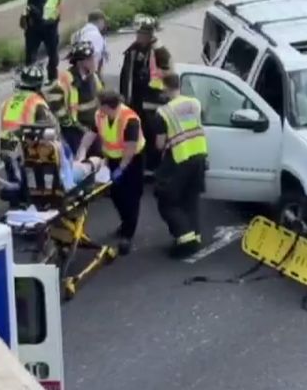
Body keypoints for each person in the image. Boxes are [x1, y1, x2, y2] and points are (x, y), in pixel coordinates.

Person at [76, 89, 145, 255]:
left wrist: (121, 169)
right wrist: (81, 153)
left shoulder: (130, 120)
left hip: (133, 161)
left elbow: (130, 148)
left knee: (131, 198)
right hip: (113, 159)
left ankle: (127, 235)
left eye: (101, 106)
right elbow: (90, 136)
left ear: (108, 107)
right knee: (115, 194)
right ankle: (125, 222)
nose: (98, 109)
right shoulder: (101, 115)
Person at [153, 72, 208, 259]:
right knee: (191, 198)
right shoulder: (195, 103)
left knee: (167, 201)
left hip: (179, 159)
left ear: (166, 87)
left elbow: (160, 144)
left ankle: (185, 240)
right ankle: (195, 235)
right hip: (199, 155)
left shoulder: (163, 112)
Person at [118, 15, 171, 175]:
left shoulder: (159, 51)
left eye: (141, 34)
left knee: (151, 135)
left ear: (149, 34)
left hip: (151, 103)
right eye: (137, 33)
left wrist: (147, 78)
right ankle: (139, 164)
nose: (138, 36)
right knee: (136, 134)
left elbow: (166, 74)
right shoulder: (136, 49)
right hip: (136, 101)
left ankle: (151, 168)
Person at [0, 65, 58, 188]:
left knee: (14, 182)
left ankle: (15, 201)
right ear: (39, 85)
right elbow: (51, 127)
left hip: (7, 144)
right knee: (32, 184)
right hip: (26, 145)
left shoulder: (9, 100)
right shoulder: (37, 101)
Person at [46, 42, 103, 155]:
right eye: (91, 58)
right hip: (75, 130)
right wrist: (66, 121)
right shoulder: (66, 77)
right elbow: (53, 99)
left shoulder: (93, 76)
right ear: (81, 62)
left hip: (92, 128)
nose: (94, 61)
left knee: (96, 158)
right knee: (78, 160)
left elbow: (101, 96)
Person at [22, 0, 65, 80]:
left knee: (53, 55)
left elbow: (60, 0)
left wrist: (57, 16)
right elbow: (27, 2)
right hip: (33, 26)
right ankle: (29, 78)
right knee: (30, 54)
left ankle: (52, 78)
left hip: (49, 25)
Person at [71, 10, 110, 75]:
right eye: (104, 22)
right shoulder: (95, 35)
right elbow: (95, 55)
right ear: (100, 21)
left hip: (78, 70)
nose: (104, 25)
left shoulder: (79, 33)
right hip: (90, 72)